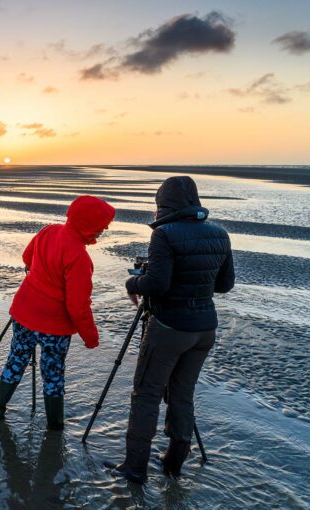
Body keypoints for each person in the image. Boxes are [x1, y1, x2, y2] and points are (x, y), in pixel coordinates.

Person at [109, 176, 235, 483]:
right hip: (205, 329)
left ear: (163, 204)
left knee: (147, 394)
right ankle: (175, 462)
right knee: (182, 394)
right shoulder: (220, 233)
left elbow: (158, 285)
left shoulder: (164, 234)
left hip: (169, 327)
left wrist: (133, 282)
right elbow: (225, 285)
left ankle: (134, 467)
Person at [0, 195, 116, 430]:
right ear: (87, 223)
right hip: (54, 327)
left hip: (24, 313)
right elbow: (78, 305)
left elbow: (27, 258)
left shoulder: (49, 231)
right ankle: (55, 427)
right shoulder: (79, 256)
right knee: (52, 374)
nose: (105, 229)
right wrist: (91, 337)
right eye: (102, 225)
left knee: (16, 360)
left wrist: (40, 271)